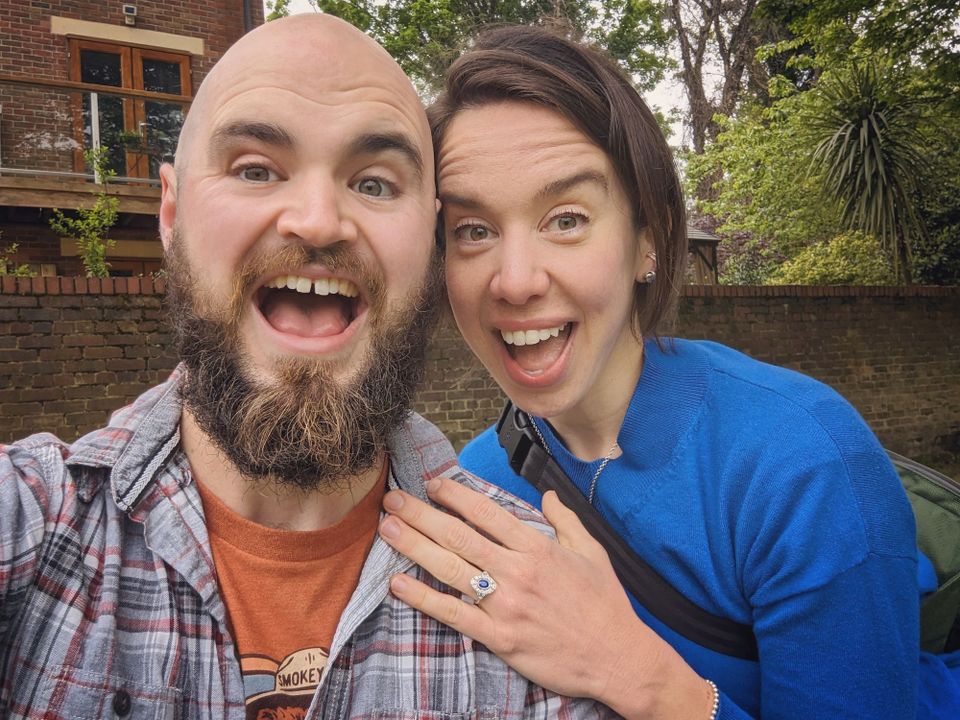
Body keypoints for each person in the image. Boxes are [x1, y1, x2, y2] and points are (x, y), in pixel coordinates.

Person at [0, 16, 608, 719]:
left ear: (432, 240)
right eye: (255, 170)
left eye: (376, 183)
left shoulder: (536, 599)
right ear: (171, 212)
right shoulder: (34, 526)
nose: (318, 221)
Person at [377, 25, 919, 719]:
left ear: (650, 240)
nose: (513, 282)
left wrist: (638, 676)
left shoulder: (804, 468)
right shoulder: (479, 482)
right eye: (473, 231)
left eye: (566, 218)